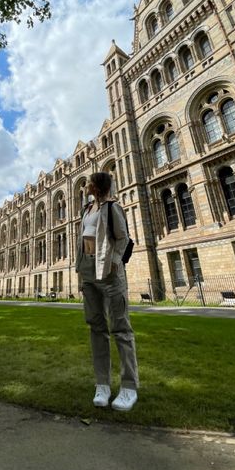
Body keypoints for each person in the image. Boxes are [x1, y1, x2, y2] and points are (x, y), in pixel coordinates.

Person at [75, 172, 139, 411]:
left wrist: (113, 262)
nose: (86, 185)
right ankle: (102, 384)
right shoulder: (87, 210)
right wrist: (80, 272)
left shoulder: (113, 208)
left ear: (97, 185)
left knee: (121, 330)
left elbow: (123, 239)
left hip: (110, 275)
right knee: (96, 328)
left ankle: (129, 387)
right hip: (89, 273)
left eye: (89, 182)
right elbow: (82, 241)